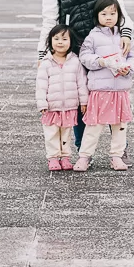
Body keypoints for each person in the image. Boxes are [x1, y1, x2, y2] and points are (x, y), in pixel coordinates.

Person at [37, 0, 133, 156]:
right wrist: (43, 53)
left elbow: (116, 3)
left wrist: (126, 31)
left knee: (110, 93)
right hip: (74, 45)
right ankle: (82, 148)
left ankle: (118, 148)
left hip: (103, 44)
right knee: (79, 97)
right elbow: (50, 19)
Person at [73, 0, 134, 171]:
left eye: (113, 13)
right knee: (94, 126)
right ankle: (84, 156)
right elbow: (84, 57)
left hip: (120, 90)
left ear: (119, 15)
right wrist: (101, 61)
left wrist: (129, 68)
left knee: (120, 126)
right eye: (104, 13)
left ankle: (116, 156)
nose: (109, 17)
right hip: (100, 90)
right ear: (97, 16)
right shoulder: (93, 37)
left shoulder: (124, 37)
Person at [36, 25, 88, 171]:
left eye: (64, 39)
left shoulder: (75, 61)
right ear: (50, 41)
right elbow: (41, 85)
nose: (60, 42)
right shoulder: (46, 63)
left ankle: (65, 157)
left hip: (70, 106)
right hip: (52, 107)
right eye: (56, 38)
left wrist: (84, 101)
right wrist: (42, 103)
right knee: (51, 133)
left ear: (70, 42)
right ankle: (52, 157)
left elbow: (81, 83)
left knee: (66, 133)